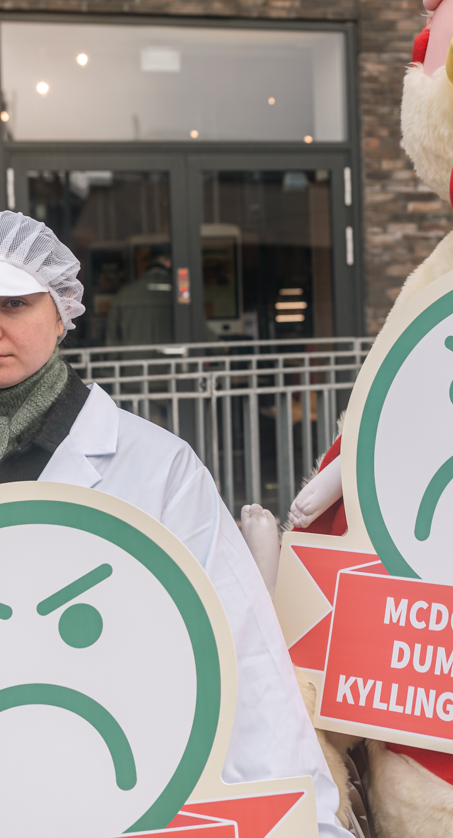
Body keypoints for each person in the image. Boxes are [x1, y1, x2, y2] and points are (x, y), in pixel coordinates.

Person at [0, 211, 351, 838]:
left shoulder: (155, 466)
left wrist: (309, 820)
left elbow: (239, 651)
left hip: (123, 781)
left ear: (60, 314)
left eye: (14, 303)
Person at [105, 248, 174, 346]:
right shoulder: (178, 294)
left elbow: (112, 336)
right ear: (168, 262)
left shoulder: (124, 294)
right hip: (173, 358)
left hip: (134, 358)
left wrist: (113, 359)